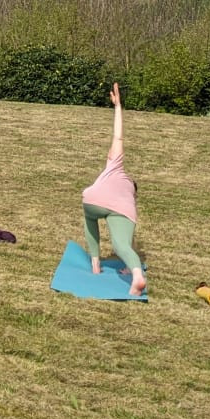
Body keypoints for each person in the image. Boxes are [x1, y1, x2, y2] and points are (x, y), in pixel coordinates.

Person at [81, 82, 146, 295]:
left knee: (89, 218)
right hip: (121, 209)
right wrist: (127, 264)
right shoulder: (131, 201)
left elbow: (118, 136)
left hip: (95, 200)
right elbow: (129, 241)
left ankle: (95, 263)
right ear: (134, 191)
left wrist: (118, 107)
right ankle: (137, 275)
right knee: (121, 246)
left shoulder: (116, 166)